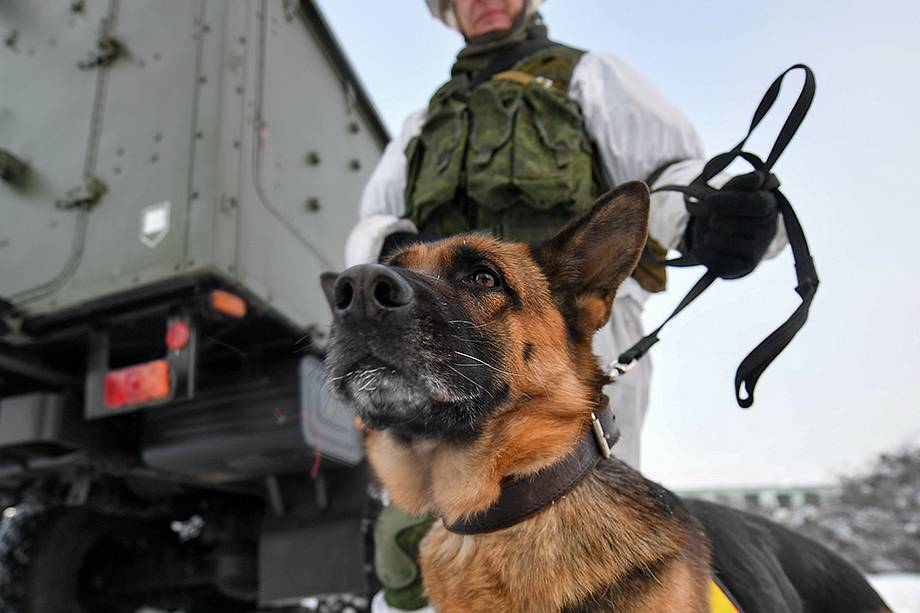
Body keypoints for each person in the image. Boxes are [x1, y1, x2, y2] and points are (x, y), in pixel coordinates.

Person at [344, 2, 787, 611]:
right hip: (434, 335)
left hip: (572, 327)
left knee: (585, 521)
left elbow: (668, 176)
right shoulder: (422, 123)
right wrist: (402, 295)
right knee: (432, 535)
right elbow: (375, 222)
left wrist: (711, 215)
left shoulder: (589, 75)